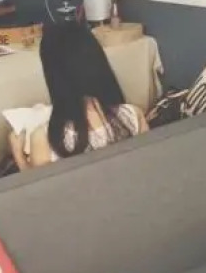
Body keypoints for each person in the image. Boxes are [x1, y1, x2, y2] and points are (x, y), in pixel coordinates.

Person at [9, 23, 148, 170]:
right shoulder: (133, 116)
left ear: (53, 77)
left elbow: (40, 185)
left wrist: (19, 156)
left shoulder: (44, 139)